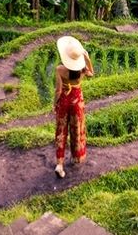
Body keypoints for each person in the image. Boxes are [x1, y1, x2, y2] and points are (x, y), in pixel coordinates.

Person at [53, 35, 93, 178]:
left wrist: (54, 103)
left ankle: (59, 164)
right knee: (77, 129)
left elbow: (58, 91)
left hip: (64, 101)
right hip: (77, 102)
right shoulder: (82, 69)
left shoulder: (59, 69)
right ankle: (77, 157)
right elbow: (91, 73)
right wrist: (87, 59)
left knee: (61, 131)